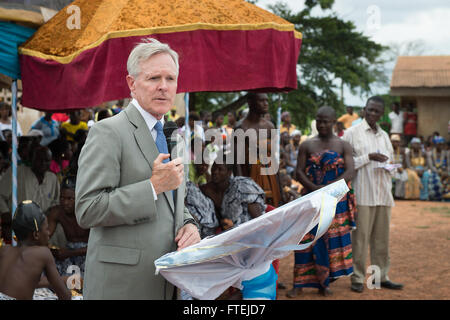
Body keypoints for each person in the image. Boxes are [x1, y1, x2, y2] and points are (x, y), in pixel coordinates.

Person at [75, 38, 200, 300]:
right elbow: (88, 209)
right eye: (154, 78)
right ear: (132, 84)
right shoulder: (107, 132)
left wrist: (189, 225)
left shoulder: (171, 134)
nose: (164, 87)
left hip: (166, 283)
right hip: (121, 287)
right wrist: (151, 187)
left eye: (170, 79)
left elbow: (172, 200)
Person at [287, 106, 356, 297]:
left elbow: (350, 171)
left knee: (328, 241)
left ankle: (324, 283)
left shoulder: (343, 145)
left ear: (334, 122)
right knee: (304, 239)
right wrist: (314, 189)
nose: (322, 124)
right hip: (311, 199)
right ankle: (298, 284)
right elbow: (298, 171)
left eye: (326, 121)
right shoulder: (307, 144)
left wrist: (329, 189)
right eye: (319, 120)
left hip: (335, 200)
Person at [343, 96, 403, 293]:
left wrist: (393, 168)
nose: (372, 114)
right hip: (363, 194)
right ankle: (358, 278)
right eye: (369, 110)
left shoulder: (384, 136)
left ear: (381, 113)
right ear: (364, 110)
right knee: (360, 239)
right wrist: (368, 157)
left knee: (381, 240)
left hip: (383, 194)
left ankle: (379, 277)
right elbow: (346, 163)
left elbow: (391, 163)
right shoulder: (351, 133)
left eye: (377, 111)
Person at [0, 200, 71, 300]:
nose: (49, 232)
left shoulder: (4, 250)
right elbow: (65, 296)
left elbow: (21, 282)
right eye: (46, 229)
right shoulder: (43, 253)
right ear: (36, 235)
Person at [0, 146, 60, 245]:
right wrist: (5, 212)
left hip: (45, 229)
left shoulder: (52, 178)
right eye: (40, 160)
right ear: (31, 159)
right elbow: (1, 195)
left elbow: (55, 203)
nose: (43, 163)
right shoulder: (16, 172)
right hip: (19, 228)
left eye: (47, 160)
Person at [234, 92, 282, 207]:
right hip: (250, 177)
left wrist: (280, 187)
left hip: (270, 177)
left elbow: (273, 157)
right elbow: (237, 162)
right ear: (250, 102)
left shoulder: (270, 126)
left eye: (267, 101)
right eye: (261, 101)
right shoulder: (241, 127)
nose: (266, 104)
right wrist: (242, 188)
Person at [48, 176, 89, 278]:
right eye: (62, 198)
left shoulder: (87, 212)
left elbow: (95, 246)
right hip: (68, 251)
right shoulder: (57, 212)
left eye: (70, 199)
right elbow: (44, 237)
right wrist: (54, 251)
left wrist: (69, 253)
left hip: (88, 252)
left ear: (78, 197)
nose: (65, 202)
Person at [390, 134, 408, 199]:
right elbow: (388, 163)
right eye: (394, 141)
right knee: (396, 176)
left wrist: (401, 168)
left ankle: (399, 195)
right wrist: (395, 168)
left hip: (400, 168)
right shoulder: (388, 150)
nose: (396, 143)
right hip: (391, 168)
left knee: (403, 177)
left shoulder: (402, 151)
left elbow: (405, 163)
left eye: (397, 141)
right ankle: (394, 195)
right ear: (391, 142)